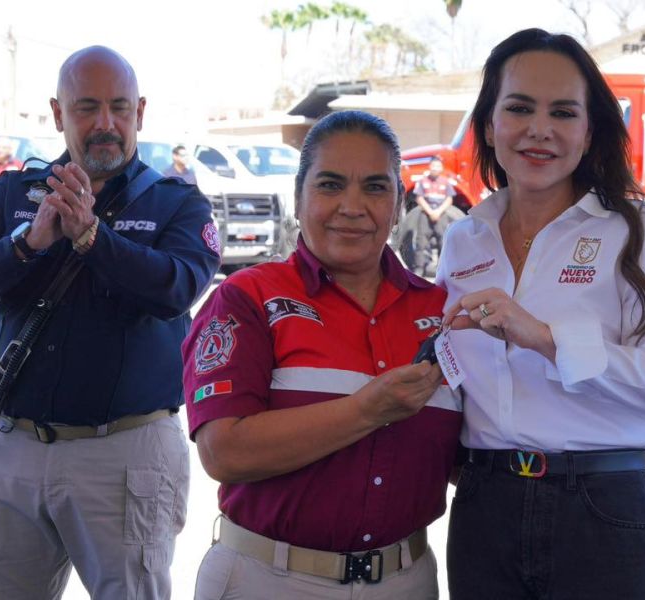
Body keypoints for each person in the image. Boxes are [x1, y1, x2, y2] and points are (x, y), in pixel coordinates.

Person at [0, 46, 221, 599]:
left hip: (125, 451)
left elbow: (177, 287)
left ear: (139, 113)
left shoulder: (176, 204)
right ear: (57, 112)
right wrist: (28, 242)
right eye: (87, 107)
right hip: (15, 447)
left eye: (119, 107)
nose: (105, 124)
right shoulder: (16, 194)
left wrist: (94, 239)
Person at [435, 29, 645, 599]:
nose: (540, 129)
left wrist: (545, 338)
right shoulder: (464, 239)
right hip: (486, 504)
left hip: (603, 507)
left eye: (563, 112)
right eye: (519, 108)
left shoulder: (639, 232)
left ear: (589, 131)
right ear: (488, 125)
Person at [184, 110, 460, 599]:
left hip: (406, 580)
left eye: (375, 188)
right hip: (268, 580)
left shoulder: (441, 311)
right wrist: (367, 410)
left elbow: (466, 455)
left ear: (398, 205)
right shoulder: (248, 298)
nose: (352, 207)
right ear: (298, 197)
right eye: (330, 185)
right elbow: (223, 451)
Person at [400, 156, 464, 278]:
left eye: (438, 166)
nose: (435, 168)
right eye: (433, 166)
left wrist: (438, 212)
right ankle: (419, 269)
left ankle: (443, 270)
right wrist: (430, 212)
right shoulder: (423, 181)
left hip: (441, 215)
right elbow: (419, 198)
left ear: (441, 168)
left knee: (443, 242)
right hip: (425, 215)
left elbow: (449, 199)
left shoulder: (445, 182)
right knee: (421, 242)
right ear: (430, 167)